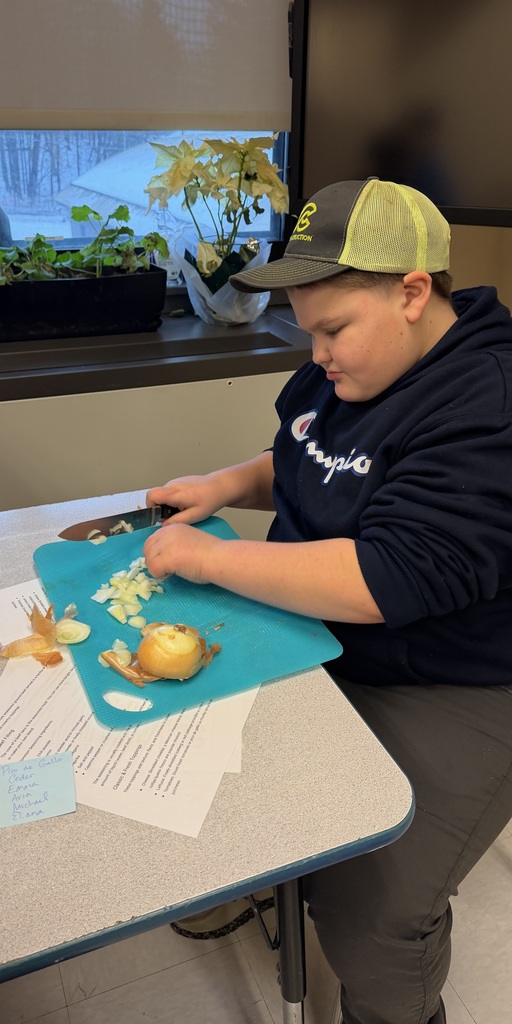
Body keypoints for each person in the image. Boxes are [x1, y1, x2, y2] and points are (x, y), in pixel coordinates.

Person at [142, 177, 512, 1024]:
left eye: (334, 329)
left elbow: (387, 579)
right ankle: (262, 873)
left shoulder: (485, 401)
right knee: (215, 754)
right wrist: (225, 486)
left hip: (453, 677)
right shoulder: (347, 367)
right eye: (308, 331)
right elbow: (307, 459)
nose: (318, 354)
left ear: (413, 292)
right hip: (331, 634)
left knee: (374, 905)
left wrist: (209, 559)